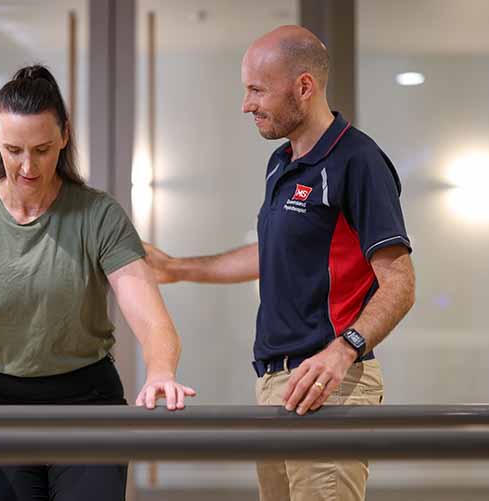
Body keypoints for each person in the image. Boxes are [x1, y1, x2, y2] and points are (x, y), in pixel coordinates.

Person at [0, 64, 196, 501]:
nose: (27, 166)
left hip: (87, 402)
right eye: (13, 150)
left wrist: (161, 370)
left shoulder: (99, 215)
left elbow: (153, 322)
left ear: (65, 137)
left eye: (43, 149)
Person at [144, 26, 415, 501]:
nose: (246, 104)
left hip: (328, 382)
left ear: (304, 87)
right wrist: (177, 268)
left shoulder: (358, 161)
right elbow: (273, 256)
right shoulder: (281, 163)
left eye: (256, 90)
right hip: (274, 382)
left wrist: (343, 349)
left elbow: (400, 283)